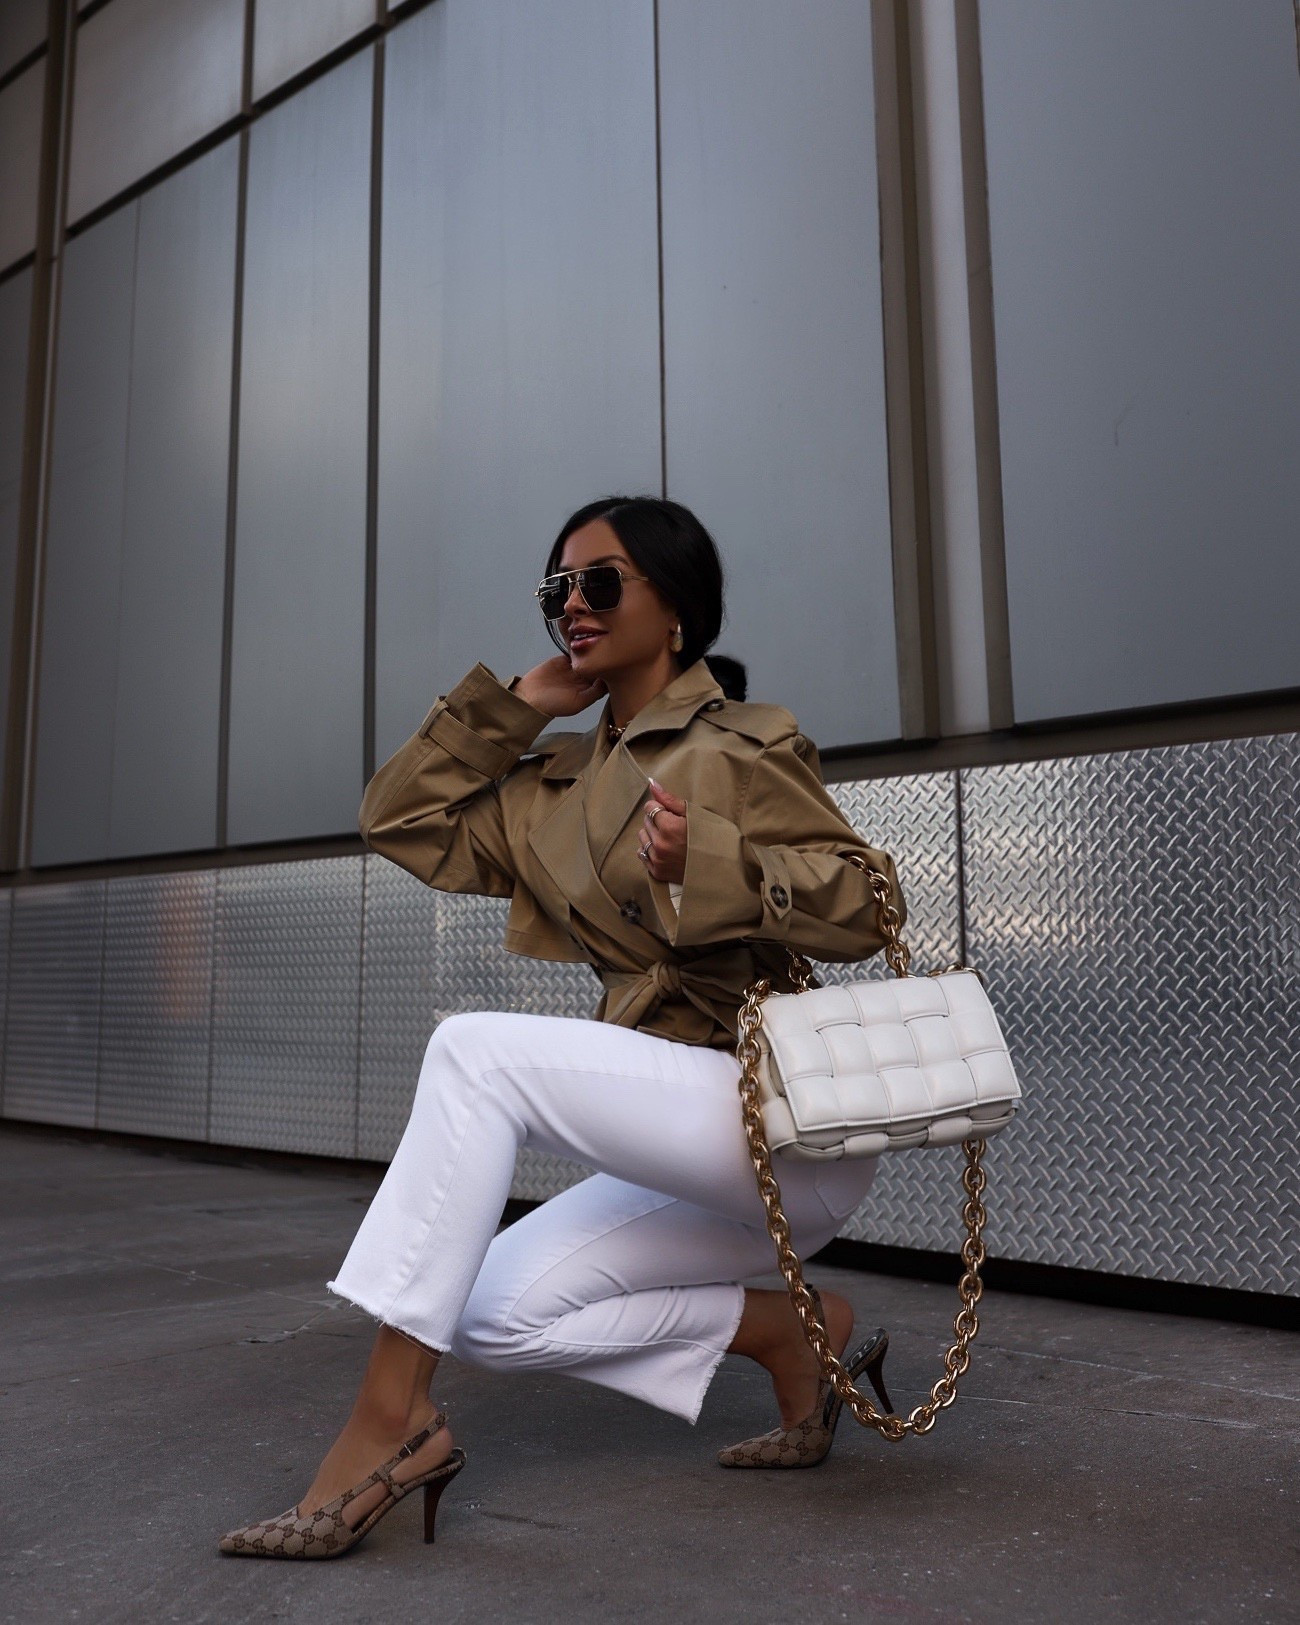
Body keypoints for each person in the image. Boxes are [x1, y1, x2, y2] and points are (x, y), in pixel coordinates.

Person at [218, 495, 905, 1560]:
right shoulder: (551, 788)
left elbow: (865, 903)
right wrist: (516, 708)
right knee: (486, 1306)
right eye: (556, 590)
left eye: (600, 582)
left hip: (780, 1120)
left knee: (474, 1051)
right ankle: (794, 1330)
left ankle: (388, 1422)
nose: (571, 607)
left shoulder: (742, 740)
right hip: (678, 1128)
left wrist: (711, 862)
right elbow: (396, 819)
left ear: (673, 607)